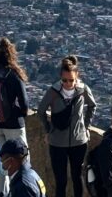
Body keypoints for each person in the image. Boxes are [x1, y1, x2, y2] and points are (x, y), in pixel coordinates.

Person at [38, 55, 96, 197]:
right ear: (60, 78)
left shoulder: (83, 90)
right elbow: (41, 111)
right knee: (61, 180)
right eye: (65, 80)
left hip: (78, 141)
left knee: (77, 178)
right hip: (57, 142)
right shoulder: (53, 92)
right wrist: (49, 129)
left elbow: (92, 106)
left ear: (77, 77)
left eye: (71, 80)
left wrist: (85, 127)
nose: (68, 84)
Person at [0, 37, 31, 193]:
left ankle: (0, 194)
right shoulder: (14, 74)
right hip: (14, 125)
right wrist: (18, 113)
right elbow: (24, 103)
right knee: (22, 162)